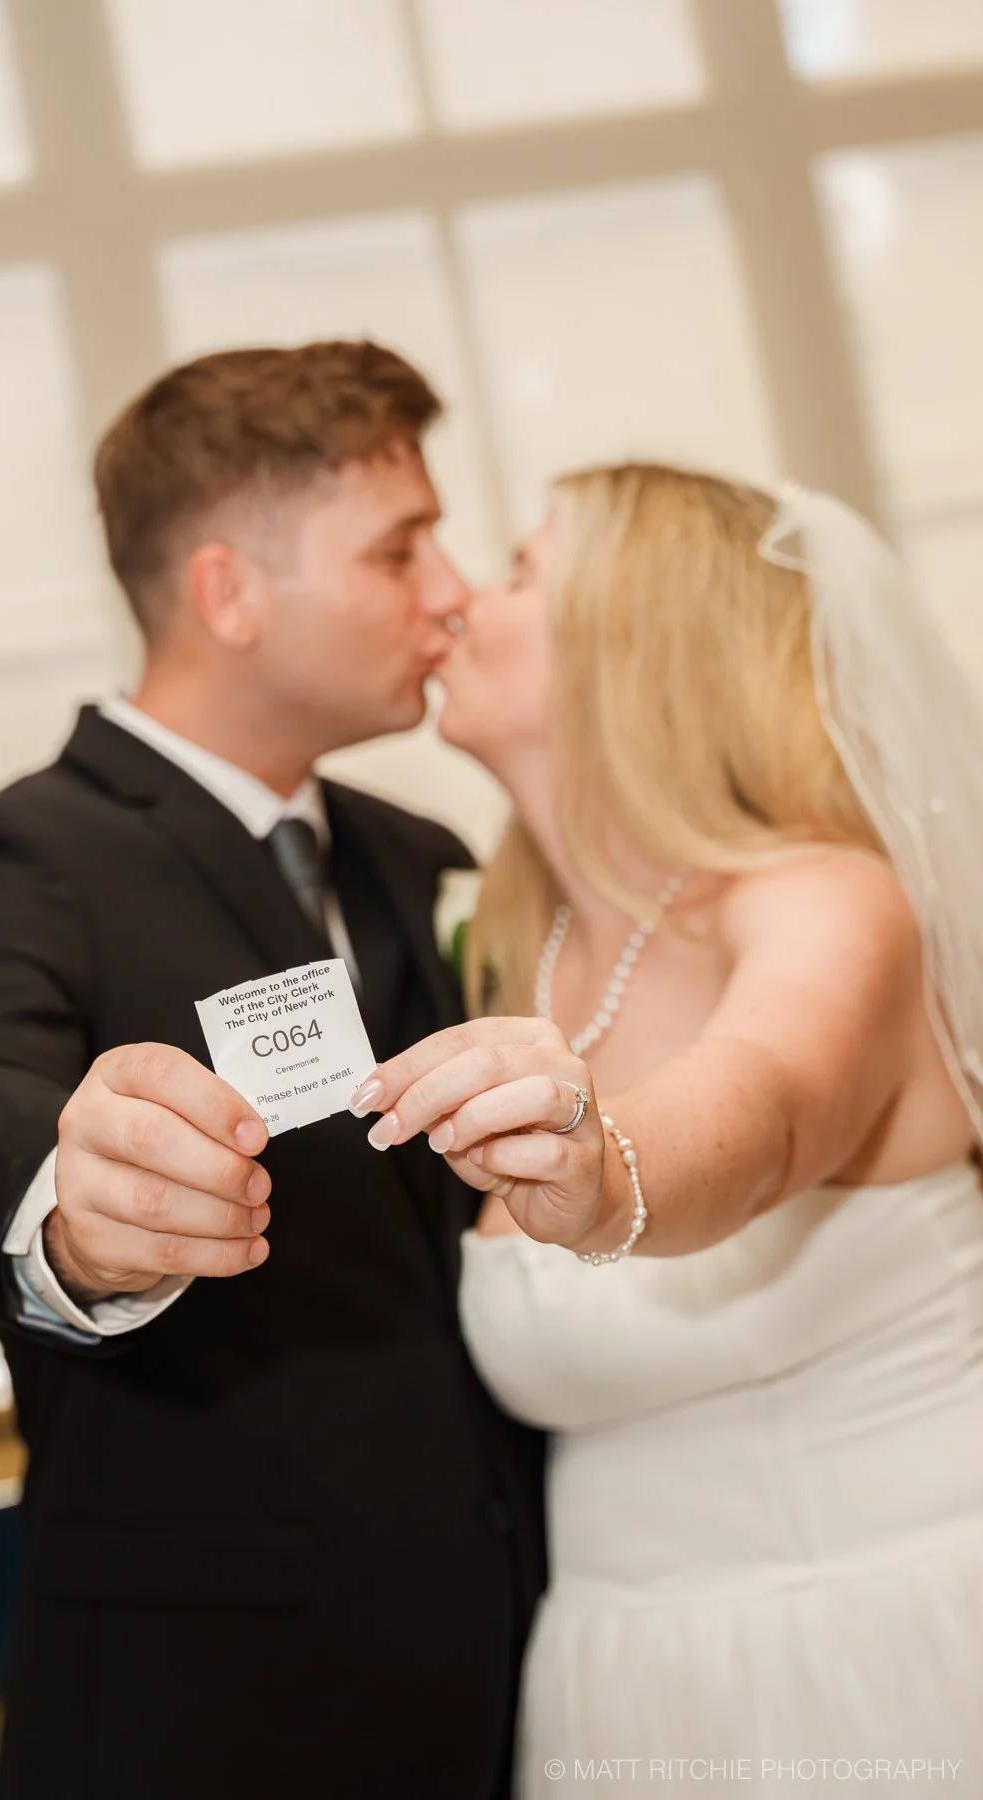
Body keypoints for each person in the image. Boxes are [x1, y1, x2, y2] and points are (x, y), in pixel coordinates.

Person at [0, 341, 545, 1800]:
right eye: (401, 548)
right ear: (231, 593)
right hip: (216, 1719)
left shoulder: (420, 857)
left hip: (499, 1680)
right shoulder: (6, 856)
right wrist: (68, 1202)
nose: (453, 591)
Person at [351, 465, 983, 1794]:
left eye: (519, 570)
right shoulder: (518, 951)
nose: (459, 594)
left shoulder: (830, 903)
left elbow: (762, 1107)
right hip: (621, 1693)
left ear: (635, 645)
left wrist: (604, 1168)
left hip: (892, 1660)